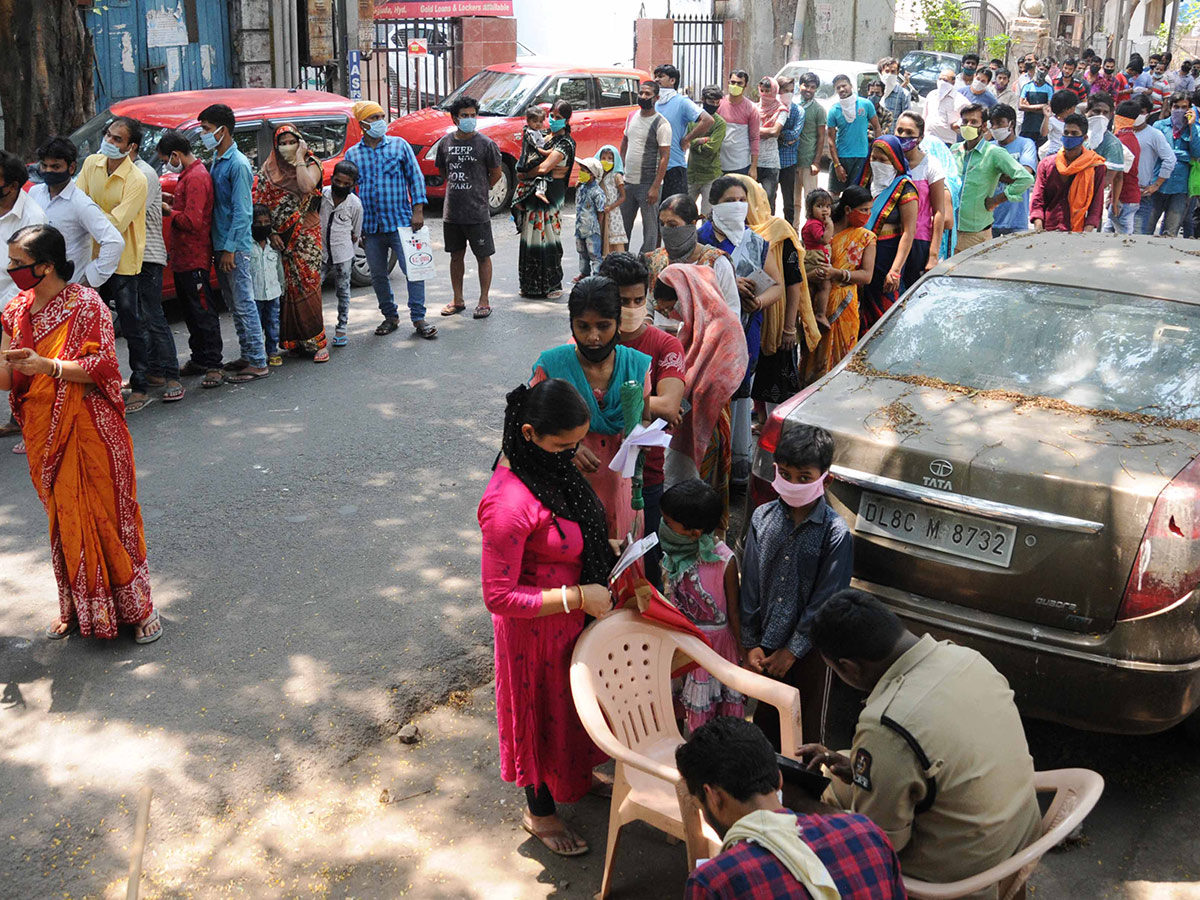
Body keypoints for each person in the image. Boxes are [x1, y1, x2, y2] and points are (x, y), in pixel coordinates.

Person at [801, 589, 1042, 895]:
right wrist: (861, 770)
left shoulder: (886, 727)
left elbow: (878, 844)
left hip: (960, 877)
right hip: (1018, 839)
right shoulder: (967, 658)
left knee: (819, 811)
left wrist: (802, 805)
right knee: (843, 773)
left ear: (849, 667)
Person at [1, 224, 161, 643]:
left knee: (112, 516)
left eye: (18, 263)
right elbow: (8, 379)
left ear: (46, 266)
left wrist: (48, 366)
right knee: (66, 519)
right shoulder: (16, 310)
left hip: (91, 427)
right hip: (44, 434)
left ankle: (139, 608)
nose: (11, 269)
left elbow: (104, 368)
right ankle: (80, 608)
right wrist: (16, 365)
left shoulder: (85, 304)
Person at [477, 378, 615, 858]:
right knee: (539, 717)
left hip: (573, 619)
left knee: (571, 712)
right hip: (533, 633)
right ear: (530, 434)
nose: (574, 455)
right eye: (565, 446)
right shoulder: (508, 505)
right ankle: (539, 810)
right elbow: (499, 596)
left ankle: (574, 775)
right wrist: (578, 596)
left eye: (577, 444)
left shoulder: (548, 471)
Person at [677, 717, 907, 900]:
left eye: (699, 805)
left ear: (714, 797)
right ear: (779, 780)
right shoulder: (866, 832)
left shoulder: (715, 882)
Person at [741, 423, 852, 749]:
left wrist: (792, 651)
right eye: (785, 474)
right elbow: (749, 586)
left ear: (824, 479)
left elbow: (826, 599)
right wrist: (751, 643)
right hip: (764, 646)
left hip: (809, 653)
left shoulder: (835, 532)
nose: (792, 484)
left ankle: (801, 793)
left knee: (803, 728)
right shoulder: (763, 517)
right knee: (765, 724)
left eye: (804, 477)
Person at [530, 276, 650, 541]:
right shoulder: (551, 367)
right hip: (566, 491)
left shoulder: (637, 367)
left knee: (621, 570)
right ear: (571, 324)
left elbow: (644, 420)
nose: (593, 337)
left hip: (623, 492)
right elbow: (528, 431)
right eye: (582, 326)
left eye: (603, 326)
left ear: (619, 324)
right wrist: (567, 450)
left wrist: (645, 439)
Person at [598, 251, 687, 587]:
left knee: (645, 574)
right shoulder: (590, 341)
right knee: (598, 572)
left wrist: (604, 399)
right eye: (623, 301)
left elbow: (669, 405)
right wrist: (645, 408)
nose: (633, 308)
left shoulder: (665, 345)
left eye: (639, 299)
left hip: (645, 480)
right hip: (596, 475)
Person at [651, 264, 747, 531]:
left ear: (687, 296)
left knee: (704, 489)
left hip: (711, 423)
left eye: (671, 307)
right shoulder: (694, 327)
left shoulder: (724, 326)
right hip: (685, 418)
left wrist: (680, 397)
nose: (671, 315)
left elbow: (719, 382)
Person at [695, 177, 775, 487]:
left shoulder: (755, 241)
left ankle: (735, 472)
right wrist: (726, 287)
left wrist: (757, 301)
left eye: (743, 199)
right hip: (708, 336)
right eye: (731, 199)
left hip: (745, 334)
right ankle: (706, 471)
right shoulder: (699, 240)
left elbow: (776, 285)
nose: (738, 205)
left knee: (740, 402)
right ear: (714, 204)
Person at [75, 116, 153, 409]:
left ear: (131, 146)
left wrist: (89, 217)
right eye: (108, 135)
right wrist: (89, 218)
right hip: (91, 259)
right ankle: (98, 381)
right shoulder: (90, 164)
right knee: (91, 324)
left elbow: (117, 224)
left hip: (124, 261)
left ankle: (141, 385)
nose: (108, 141)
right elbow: (77, 203)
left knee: (131, 324)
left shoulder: (137, 179)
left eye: (116, 139)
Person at [344, 100, 436, 338]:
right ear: (363, 124)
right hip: (371, 227)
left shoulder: (399, 146)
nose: (379, 122)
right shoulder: (353, 154)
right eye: (374, 118)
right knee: (377, 275)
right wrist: (355, 228)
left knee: (414, 270)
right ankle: (390, 316)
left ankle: (419, 318)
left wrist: (418, 211)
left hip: (402, 222)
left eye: (381, 116)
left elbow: (415, 178)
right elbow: (351, 194)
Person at [659, 479, 744, 731]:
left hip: (712, 650)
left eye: (669, 522)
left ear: (694, 533)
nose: (663, 526)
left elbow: (735, 613)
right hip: (678, 644)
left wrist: (742, 657)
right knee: (672, 705)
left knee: (707, 717)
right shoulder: (672, 551)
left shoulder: (724, 561)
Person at [199, 103, 270, 381]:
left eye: (206, 129)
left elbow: (243, 212)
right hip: (222, 244)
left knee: (243, 303)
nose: (203, 134)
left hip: (234, 247)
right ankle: (248, 353)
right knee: (233, 304)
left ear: (222, 130)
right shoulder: (219, 159)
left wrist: (229, 248)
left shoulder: (238, 164)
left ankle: (258, 360)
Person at [254, 124, 328, 362]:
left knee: (308, 285)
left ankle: (317, 342)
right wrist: (271, 232)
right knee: (286, 290)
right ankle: (295, 341)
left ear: (300, 142)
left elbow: (307, 186)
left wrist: (298, 158)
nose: (287, 147)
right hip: (279, 240)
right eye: (282, 143)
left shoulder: (311, 164)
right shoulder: (268, 169)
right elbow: (261, 204)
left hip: (305, 236)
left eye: (291, 142)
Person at [156, 130, 223, 389]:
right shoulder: (188, 176)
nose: (166, 164)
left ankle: (214, 364)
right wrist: (171, 201)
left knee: (202, 311)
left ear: (175, 155)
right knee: (191, 312)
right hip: (184, 257)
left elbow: (192, 221)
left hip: (195, 256)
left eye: (166, 159)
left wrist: (168, 211)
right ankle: (200, 359)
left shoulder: (195, 177)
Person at [435, 95, 502, 319]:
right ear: (455, 118)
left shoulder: (486, 144)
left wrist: (481, 190)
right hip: (452, 212)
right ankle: (458, 299)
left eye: (473, 115)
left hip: (477, 212)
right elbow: (443, 171)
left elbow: (496, 174)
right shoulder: (445, 143)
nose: (469, 119)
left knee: (483, 256)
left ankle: (484, 300)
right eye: (465, 116)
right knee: (456, 256)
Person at [802, 186, 876, 387]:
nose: (868, 215)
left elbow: (867, 276)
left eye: (870, 210)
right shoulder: (822, 230)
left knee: (841, 355)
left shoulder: (866, 237)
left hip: (845, 303)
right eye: (863, 210)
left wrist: (836, 273)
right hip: (816, 297)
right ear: (847, 210)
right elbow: (805, 262)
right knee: (813, 355)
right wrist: (814, 275)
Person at [28, 138, 122, 293]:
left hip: (70, 288)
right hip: (38, 286)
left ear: (71, 168)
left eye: (55, 166)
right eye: (44, 165)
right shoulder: (35, 193)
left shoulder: (81, 204)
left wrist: (90, 279)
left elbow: (114, 242)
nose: (48, 171)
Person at [128, 137, 181, 402]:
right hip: (130, 257)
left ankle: (172, 374)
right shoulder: (124, 172)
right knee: (138, 318)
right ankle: (154, 371)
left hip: (147, 255)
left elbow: (129, 210)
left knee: (154, 317)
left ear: (132, 146)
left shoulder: (143, 173)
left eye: (117, 139)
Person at [0, 154, 48, 446]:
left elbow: (32, 272)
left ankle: (31, 423)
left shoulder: (32, 217)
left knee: (17, 367)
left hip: (16, 301)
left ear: (13, 185)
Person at [512, 100, 576, 299]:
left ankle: (552, 284)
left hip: (551, 196)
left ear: (566, 120)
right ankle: (530, 285)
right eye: (552, 116)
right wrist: (523, 172)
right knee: (530, 236)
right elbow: (525, 162)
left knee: (548, 236)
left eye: (558, 117)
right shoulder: (542, 137)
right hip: (534, 195)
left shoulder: (565, 143)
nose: (553, 120)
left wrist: (524, 174)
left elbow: (543, 168)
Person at [951, 104, 1035, 251]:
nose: (967, 126)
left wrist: (997, 200)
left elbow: (1025, 178)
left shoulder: (994, 153)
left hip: (976, 233)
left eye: (973, 122)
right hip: (951, 231)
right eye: (964, 122)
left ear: (983, 127)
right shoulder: (955, 151)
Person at [647, 193, 741, 316]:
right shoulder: (657, 260)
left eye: (672, 225)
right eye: (662, 224)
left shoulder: (717, 263)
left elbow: (732, 313)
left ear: (692, 224)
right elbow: (648, 306)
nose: (666, 230)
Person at [859, 136, 917, 332]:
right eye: (873, 159)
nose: (877, 164)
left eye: (883, 161)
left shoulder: (905, 188)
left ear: (895, 162)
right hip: (861, 259)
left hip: (886, 258)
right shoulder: (866, 184)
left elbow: (908, 233)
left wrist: (895, 270)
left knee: (884, 315)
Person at [1030, 113, 1107, 232]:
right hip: (1048, 229)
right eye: (1066, 133)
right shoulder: (1047, 164)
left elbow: (1096, 204)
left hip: (1078, 230)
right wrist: (1038, 227)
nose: (1069, 136)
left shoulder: (1095, 166)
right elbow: (1037, 199)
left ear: (1085, 138)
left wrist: (1086, 232)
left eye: (1074, 133)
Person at [620, 81, 672, 254]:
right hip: (627, 182)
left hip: (648, 184)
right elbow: (625, 141)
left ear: (656, 98)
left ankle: (646, 264)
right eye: (641, 93)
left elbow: (665, 156)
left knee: (650, 231)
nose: (643, 97)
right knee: (622, 228)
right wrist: (620, 170)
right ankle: (622, 262)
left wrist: (655, 187)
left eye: (647, 94)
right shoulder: (631, 116)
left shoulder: (661, 124)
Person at [893, 112, 946, 283]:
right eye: (899, 131)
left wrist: (933, 255)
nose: (903, 136)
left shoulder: (931, 166)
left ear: (920, 138)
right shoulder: (888, 163)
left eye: (909, 133)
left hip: (918, 241)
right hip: (890, 238)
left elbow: (939, 212)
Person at [653, 62, 714, 198]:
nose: (657, 80)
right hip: (653, 167)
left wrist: (687, 138)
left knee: (675, 212)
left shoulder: (681, 102)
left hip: (674, 166)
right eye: (655, 76)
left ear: (672, 80)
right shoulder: (653, 103)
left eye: (661, 76)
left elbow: (708, 120)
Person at [320, 160, 363, 346]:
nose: (342, 186)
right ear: (332, 179)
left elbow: (356, 233)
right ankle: (315, 330)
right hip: (321, 253)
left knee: (343, 291)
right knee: (313, 290)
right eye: (338, 181)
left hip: (343, 254)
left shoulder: (355, 205)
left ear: (353, 185)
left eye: (347, 184)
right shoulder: (322, 196)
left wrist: (349, 256)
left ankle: (341, 328)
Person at [1145, 93, 1200, 236]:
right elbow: (1157, 152)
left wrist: (1192, 126)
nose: (1180, 110)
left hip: (1180, 187)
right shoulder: (1159, 126)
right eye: (1176, 107)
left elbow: (1196, 153)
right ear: (1170, 108)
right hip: (1157, 182)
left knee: (1171, 231)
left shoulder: (1195, 129)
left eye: (1184, 107)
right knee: (1147, 228)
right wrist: (1183, 155)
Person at [986, 104, 1038, 236]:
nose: (995, 128)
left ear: (1011, 124)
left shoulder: (1026, 144)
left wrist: (994, 172)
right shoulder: (988, 147)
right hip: (989, 220)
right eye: (992, 124)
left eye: (1000, 123)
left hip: (1017, 220)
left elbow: (1025, 176)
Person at [1127, 100, 1177, 235]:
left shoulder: (1154, 134)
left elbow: (1170, 159)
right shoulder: (1124, 132)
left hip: (1141, 194)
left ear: (1148, 114)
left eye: (1141, 112)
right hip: (1120, 193)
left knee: (1137, 237)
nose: (1137, 115)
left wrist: (1156, 185)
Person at [826, 75, 881, 193]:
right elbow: (831, 140)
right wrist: (837, 165)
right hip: (841, 158)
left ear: (851, 86)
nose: (841, 89)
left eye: (844, 86)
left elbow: (877, 127)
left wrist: (877, 151)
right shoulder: (834, 110)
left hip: (861, 157)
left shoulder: (866, 104)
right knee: (834, 196)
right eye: (838, 88)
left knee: (857, 196)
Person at [248, 204, 284, 365]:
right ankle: (255, 353)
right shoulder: (247, 245)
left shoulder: (273, 245)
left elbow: (279, 269)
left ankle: (272, 351)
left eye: (266, 222)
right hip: (254, 294)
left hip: (273, 292)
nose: (263, 226)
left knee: (272, 323)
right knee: (254, 324)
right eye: (258, 223)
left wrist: (281, 288)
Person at [791, 73, 827, 231]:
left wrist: (817, 162)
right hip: (791, 160)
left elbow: (821, 137)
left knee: (810, 200)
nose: (809, 90)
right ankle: (794, 232)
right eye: (806, 86)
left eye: (812, 87)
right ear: (800, 86)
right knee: (793, 201)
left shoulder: (818, 110)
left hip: (809, 162)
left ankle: (810, 232)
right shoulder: (792, 106)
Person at [1104, 100, 1145, 234]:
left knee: (1124, 238)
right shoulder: (1131, 138)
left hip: (1123, 197)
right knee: (1108, 232)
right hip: (1126, 195)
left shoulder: (1120, 141)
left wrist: (1114, 201)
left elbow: (1119, 175)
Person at [686, 87, 727, 217]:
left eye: (717, 103)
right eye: (711, 102)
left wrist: (694, 143)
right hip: (692, 173)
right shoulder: (692, 119)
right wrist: (698, 141)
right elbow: (685, 140)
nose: (714, 105)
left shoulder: (720, 123)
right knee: (685, 213)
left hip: (711, 175)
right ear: (703, 100)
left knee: (707, 215)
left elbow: (711, 148)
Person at [800, 188, 834, 332]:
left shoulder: (817, 223)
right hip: (815, 258)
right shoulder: (813, 224)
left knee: (815, 287)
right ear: (810, 208)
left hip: (817, 257)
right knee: (825, 284)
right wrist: (830, 226)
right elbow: (825, 239)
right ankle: (820, 314)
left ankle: (812, 315)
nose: (825, 210)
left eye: (827, 206)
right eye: (819, 206)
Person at [718, 70, 761, 177]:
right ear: (728, 82)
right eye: (732, 82)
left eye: (739, 83)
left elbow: (754, 138)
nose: (735, 85)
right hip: (718, 165)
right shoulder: (718, 104)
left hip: (740, 165)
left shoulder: (751, 108)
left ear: (745, 85)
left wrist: (753, 166)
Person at [756, 76, 789, 211]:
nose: (764, 95)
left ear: (774, 91)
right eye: (762, 91)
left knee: (768, 201)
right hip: (752, 161)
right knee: (750, 201)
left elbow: (775, 131)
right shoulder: (754, 108)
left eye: (767, 91)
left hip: (770, 163)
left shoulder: (781, 110)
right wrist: (763, 132)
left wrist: (754, 132)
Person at [776, 78, 805, 227]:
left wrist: (777, 133)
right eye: (784, 90)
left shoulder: (798, 110)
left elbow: (794, 134)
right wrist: (782, 137)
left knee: (789, 202)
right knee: (768, 200)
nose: (788, 94)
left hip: (788, 162)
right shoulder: (771, 109)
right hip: (770, 162)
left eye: (790, 91)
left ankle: (789, 232)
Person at [573, 157, 607, 280]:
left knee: (594, 253)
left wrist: (598, 225)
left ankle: (596, 276)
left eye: (584, 170)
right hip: (580, 226)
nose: (581, 172)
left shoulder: (597, 192)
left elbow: (600, 211)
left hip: (592, 229)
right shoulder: (581, 187)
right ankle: (584, 273)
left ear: (592, 174)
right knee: (582, 252)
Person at [515, 106, 552, 206]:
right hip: (531, 160)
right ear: (528, 121)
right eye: (535, 121)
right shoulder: (530, 133)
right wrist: (547, 153)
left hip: (533, 159)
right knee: (543, 174)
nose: (538, 124)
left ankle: (519, 199)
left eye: (541, 121)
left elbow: (541, 141)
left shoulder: (537, 132)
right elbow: (535, 147)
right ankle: (540, 191)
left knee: (528, 182)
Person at [923, 68, 970, 145]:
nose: (941, 82)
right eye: (939, 79)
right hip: (927, 139)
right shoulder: (932, 95)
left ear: (953, 82)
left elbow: (970, 116)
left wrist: (958, 124)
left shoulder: (959, 100)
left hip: (946, 142)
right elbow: (924, 116)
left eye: (945, 80)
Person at [1038, 89, 1086, 160]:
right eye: (1073, 107)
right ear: (1067, 109)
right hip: (1055, 153)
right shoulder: (1052, 120)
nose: (1075, 109)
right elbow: (1043, 133)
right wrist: (1046, 117)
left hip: (1069, 153)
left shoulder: (1073, 122)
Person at [597, 144, 628, 254]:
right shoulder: (598, 175)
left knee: (613, 240)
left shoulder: (616, 176)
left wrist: (610, 207)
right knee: (602, 238)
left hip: (613, 213)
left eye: (610, 159)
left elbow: (623, 197)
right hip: (601, 211)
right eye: (604, 158)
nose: (606, 161)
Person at [1018, 61, 1053, 147]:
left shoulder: (1049, 88)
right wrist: (1041, 106)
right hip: (1027, 126)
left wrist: (1029, 107)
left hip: (1041, 128)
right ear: (1036, 69)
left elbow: (1048, 109)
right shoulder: (1027, 86)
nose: (1042, 72)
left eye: (1045, 70)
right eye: (1041, 69)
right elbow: (1020, 106)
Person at [877, 56, 911, 131]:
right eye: (887, 71)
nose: (889, 75)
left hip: (892, 138)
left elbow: (906, 119)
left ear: (897, 73)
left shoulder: (903, 94)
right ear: (881, 72)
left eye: (893, 72)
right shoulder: (875, 92)